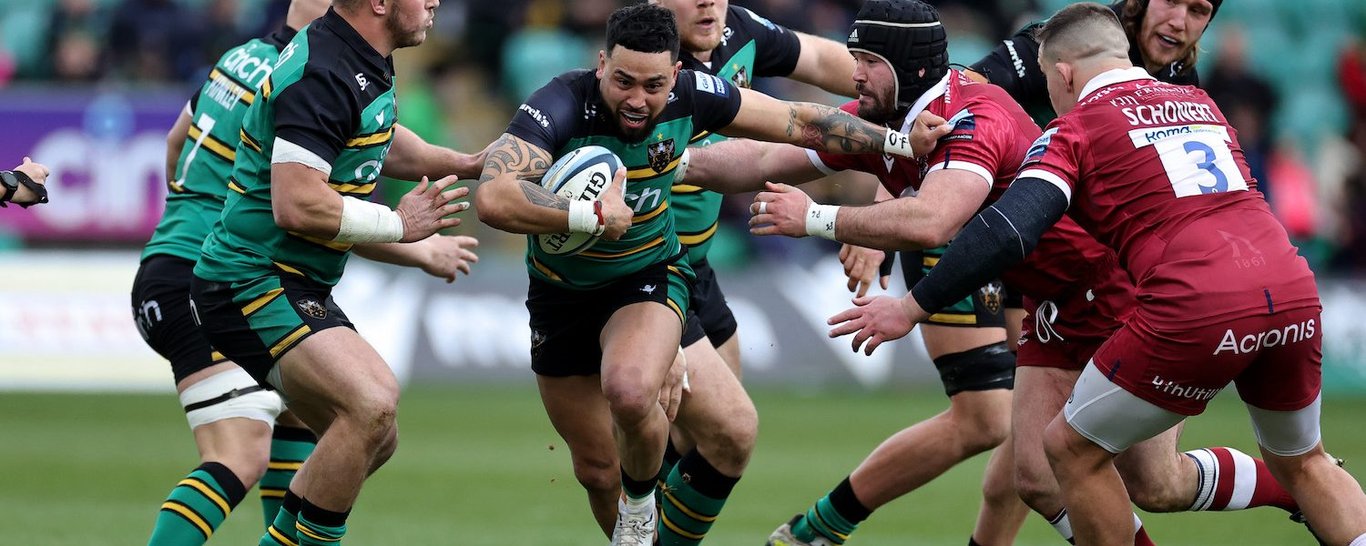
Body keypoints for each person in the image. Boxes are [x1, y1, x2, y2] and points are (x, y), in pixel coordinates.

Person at [828, 4, 1366, 546]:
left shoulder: (1074, 129)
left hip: (1180, 299)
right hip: (1291, 287)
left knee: (1075, 453)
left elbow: (1009, 231)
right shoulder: (1199, 100)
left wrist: (906, 305)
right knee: (1303, 462)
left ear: (1060, 74)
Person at [473, 5, 924, 545]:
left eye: (654, 85)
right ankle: (637, 508)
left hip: (646, 274)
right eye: (623, 82)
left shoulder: (697, 92)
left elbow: (800, 120)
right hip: (558, 294)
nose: (638, 100)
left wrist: (897, 142)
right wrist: (589, 215)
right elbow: (493, 196)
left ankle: (640, 507)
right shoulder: (560, 103)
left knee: (634, 390)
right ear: (600, 65)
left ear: (676, 77)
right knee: (597, 469)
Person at [681, 2, 1035, 544]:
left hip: (1070, 278)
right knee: (1017, 432)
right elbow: (761, 160)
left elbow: (930, 220)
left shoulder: (970, 118)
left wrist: (818, 218)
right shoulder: (890, 117)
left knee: (1063, 452)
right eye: (856, 59)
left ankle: (814, 530)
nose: (854, 74)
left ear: (911, 67)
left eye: (868, 60)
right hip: (1005, 260)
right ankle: (819, 529)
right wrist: (659, 160)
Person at [134, 2, 482, 544]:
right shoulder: (321, 71)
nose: (436, 2)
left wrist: (462, 163)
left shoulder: (278, 58)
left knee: (365, 431)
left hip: (257, 271)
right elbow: (301, 206)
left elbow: (177, 141)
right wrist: (401, 227)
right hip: (243, 275)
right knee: (277, 439)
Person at [655, 0, 857, 380]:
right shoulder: (646, 63)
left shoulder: (738, 29)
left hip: (693, 265)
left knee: (728, 430)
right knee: (658, 415)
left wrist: (904, 89)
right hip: (641, 268)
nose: (707, 2)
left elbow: (817, 58)